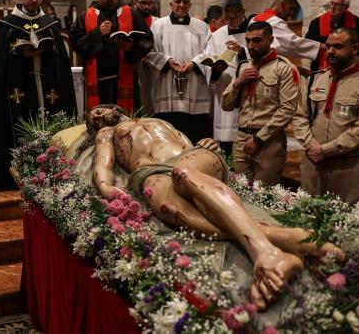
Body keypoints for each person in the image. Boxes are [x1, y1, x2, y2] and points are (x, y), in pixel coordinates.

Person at [87, 104, 342, 310]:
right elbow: (103, 163)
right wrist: (106, 186)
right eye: (93, 118)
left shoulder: (160, 121)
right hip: (151, 171)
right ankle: (288, 239)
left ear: (115, 107)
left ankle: (264, 252)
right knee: (167, 206)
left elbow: (186, 143)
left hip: (190, 160)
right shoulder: (107, 134)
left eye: (99, 110)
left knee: (183, 173)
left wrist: (206, 144)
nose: (98, 116)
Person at [0, 0, 76, 190]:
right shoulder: (9, 24)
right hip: (19, 86)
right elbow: (3, 61)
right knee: (20, 122)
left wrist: (45, 51)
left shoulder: (50, 23)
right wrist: (21, 53)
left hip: (46, 86)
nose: (33, 0)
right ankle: (21, 168)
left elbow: (60, 59)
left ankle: (48, 168)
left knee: (47, 121)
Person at [293, 27, 359, 204]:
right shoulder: (314, 79)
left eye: (337, 46)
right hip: (313, 165)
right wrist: (312, 145)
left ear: (355, 49)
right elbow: (300, 116)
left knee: (347, 227)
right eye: (328, 47)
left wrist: (325, 151)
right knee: (307, 222)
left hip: (348, 167)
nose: (330, 52)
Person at [220, 21, 299, 185]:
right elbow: (226, 105)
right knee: (242, 195)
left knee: (265, 198)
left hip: (268, 142)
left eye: (256, 40)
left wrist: (258, 139)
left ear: (270, 40)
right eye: (248, 40)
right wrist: (238, 83)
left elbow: (288, 110)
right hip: (241, 139)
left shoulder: (283, 68)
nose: (250, 45)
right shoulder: (242, 68)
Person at [69, 0, 152, 114]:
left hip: (125, 80)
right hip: (97, 83)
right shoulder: (85, 16)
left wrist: (130, 48)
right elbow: (76, 42)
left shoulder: (131, 13)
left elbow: (147, 40)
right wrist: (97, 33)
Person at [145, 0, 211, 144]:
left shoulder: (202, 27)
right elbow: (149, 52)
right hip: (166, 85)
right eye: (178, 1)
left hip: (195, 86)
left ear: (190, 5)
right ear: (171, 4)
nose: (181, 5)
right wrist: (167, 61)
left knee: (194, 135)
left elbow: (211, 51)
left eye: (185, 2)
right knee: (169, 136)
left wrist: (194, 63)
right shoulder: (158, 26)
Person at [203, 0, 252, 154]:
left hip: (248, 94)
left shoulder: (254, 31)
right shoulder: (217, 35)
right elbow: (209, 62)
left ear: (243, 12)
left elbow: (264, 58)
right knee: (226, 147)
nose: (229, 21)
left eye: (233, 17)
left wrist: (243, 52)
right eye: (225, 17)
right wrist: (215, 69)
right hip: (224, 91)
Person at [305, 0, 359, 70]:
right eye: (331, 3)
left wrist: (346, 48)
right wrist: (324, 46)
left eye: (337, 5)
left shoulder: (356, 22)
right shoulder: (316, 23)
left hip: (347, 68)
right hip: (321, 68)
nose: (332, 7)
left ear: (346, 7)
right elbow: (308, 45)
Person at [250, 0, 320, 61]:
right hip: (268, 64)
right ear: (283, 5)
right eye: (291, 8)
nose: (291, 13)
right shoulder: (275, 21)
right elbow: (292, 44)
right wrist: (318, 47)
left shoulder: (253, 19)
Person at [133, 0, 159, 116]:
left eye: (150, 3)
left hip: (154, 70)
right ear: (135, 3)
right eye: (143, 3)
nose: (147, 6)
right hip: (135, 69)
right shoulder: (129, 21)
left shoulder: (158, 22)